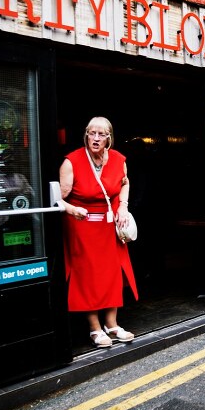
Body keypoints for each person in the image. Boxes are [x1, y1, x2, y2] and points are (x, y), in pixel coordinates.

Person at [59, 117, 138, 348]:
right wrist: (72, 209)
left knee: (112, 272)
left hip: (108, 224)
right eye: (91, 133)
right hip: (81, 226)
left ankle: (112, 325)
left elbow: (125, 183)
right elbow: (56, 198)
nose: (95, 138)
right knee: (88, 276)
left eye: (101, 134)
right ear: (86, 135)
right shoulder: (71, 162)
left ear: (108, 138)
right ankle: (95, 328)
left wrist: (122, 206)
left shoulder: (118, 159)